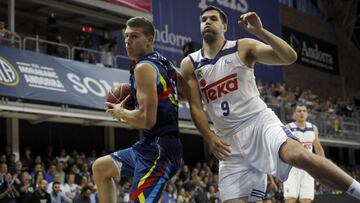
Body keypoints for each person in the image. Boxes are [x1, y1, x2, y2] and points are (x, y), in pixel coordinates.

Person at [180, 5, 360, 203]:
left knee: (301, 157)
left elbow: (290, 57)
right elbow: (195, 106)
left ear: (224, 27)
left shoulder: (242, 47)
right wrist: (208, 136)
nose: (207, 21)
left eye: (213, 18)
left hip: (260, 124)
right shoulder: (190, 64)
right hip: (228, 143)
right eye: (203, 19)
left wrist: (260, 31)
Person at [92, 16, 182, 203]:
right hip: (149, 146)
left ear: (150, 39)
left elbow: (146, 120)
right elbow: (181, 94)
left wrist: (121, 112)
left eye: (134, 36)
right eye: (126, 36)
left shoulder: (144, 68)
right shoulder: (162, 62)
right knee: (100, 168)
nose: (127, 41)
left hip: (160, 151)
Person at [283, 104, 325, 203]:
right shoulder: (288, 127)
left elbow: (317, 146)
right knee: (290, 199)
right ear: (294, 114)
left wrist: (323, 164)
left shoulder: (313, 128)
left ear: (307, 113)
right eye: (299, 111)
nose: (302, 113)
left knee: (306, 200)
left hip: (308, 168)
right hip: (292, 168)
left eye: (304, 111)